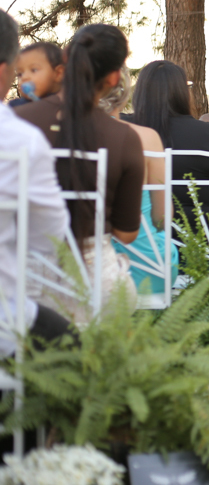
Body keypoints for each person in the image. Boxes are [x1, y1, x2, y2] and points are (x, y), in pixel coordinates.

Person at [15, 24, 142, 321]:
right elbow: (127, 233)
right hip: (96, 287)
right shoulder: (124, 138)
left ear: (64, 65)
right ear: (113, 77)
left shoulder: (14, 122)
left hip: (24, 283)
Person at [0, 9, 74, 351]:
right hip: (6, 317)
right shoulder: (20, 139)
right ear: (6, 70)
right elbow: (48, 240)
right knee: (77, 350)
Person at [130, 61, 209, 236]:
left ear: (140, 92)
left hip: (141, 247)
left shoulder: (123, 130)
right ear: (182, 93)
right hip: (204, 246)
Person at [99, 68, 179, 296]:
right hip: (147, 266)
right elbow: (163, 216)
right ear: (123, 94)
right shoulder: (147, 138)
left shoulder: (63, 136)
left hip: (78, 270)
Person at [10, 41, 64, 106]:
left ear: (58, 73)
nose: (24, 77)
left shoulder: (71, 104)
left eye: (34, 70)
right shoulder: (15, 107)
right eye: (20, 74)